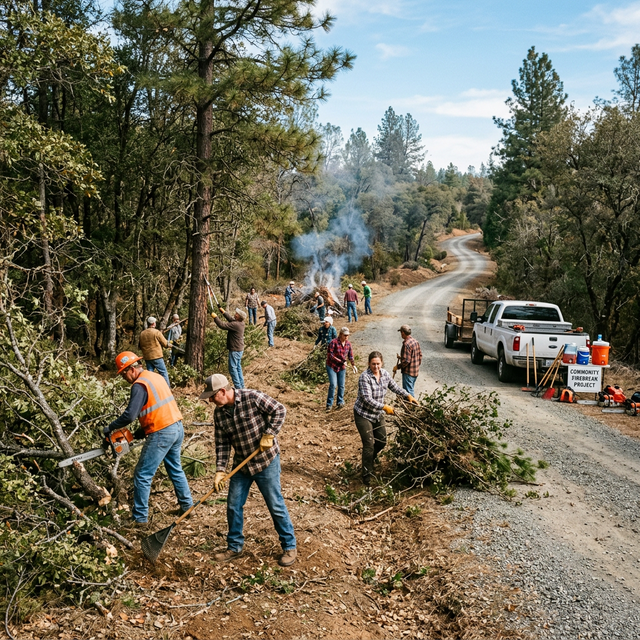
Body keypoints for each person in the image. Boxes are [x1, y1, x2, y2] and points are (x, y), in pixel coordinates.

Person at [199, 374, 297, 567]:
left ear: (222, 391)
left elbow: (279, 409)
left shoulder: (251, 397)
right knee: (233, 504)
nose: (210, 400)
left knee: (275, 505)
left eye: (212, 396)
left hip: (265, 461)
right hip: (241, 464)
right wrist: (220, 470)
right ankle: (234, 547)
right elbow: (222, 444)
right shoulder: (219, 414)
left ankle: (289, 546)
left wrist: (269, 434)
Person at [106, 352, 193, 526]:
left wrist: (111, 427)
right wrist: (139, 432)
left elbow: (130, 415)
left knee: (142, 474)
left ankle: (139, 519)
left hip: (162, 432)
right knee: (174, 467)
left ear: (131, 369)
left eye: (124, 374)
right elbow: (156, 407)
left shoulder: (139, 385)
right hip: (176, 427)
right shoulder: (155, 376)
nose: (124, 378)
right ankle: (187, 506)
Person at [354, 352, 416, 485]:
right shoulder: (364, 377)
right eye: (373, 364)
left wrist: (408, 395)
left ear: (381, 363)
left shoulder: (385, 374)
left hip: (377, 414)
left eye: (378, 364)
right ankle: (366, 475)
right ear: (369, 364)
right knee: (369, 444)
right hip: (363, 414)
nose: (375, 366)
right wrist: (385, 407)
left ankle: (369, 460)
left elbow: (395, 387)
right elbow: (367, 399)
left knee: (381, 441)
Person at [212, 305, 246, 389]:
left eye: (236, 314)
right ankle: (241, 386)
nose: (235, 314)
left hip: (235, 350)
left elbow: (222, 325)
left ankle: (238, 387)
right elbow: (231, 319)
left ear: (239, 316)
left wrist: (215, 317)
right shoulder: (240, 323)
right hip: (239, 349)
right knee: (238, 368)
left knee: (232, 368)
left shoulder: (236, 325)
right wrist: (223, 312)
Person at [326, 326, 356, 411]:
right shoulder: (333, 342)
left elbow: (350, 355)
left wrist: (353, 364)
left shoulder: (348, 344)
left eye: (347, 335)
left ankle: (340, 402)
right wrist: (341, 361)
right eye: (344, 335)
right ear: (340, 334)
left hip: (342, 367)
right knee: (333, 384)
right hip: (332, 366)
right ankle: (329, 404)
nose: (346, 337)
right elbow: (330, 355)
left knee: (341, 385)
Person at [139, 316, 171, 387]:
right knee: (163, 373)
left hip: (147, 357)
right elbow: (165, 344)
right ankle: (167, 388)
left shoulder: (142, 333)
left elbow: (140, 346)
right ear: (153, 323)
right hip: (157, 356)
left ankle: (151, 389)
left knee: (150, 375)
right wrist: (170, 344)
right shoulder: (156, 332)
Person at [394, 325, 423, 397]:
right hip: (415, 371)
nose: (401, 334)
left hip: (408, 372)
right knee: (411, 389)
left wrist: (397, 366)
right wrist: (416, 366)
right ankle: (411, 406)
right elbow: (419, 355)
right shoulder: (415, 342)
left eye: (401, 332)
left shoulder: (406, 344)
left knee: (408, 393)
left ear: (403, 333)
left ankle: (412, 407)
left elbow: (406, 361)